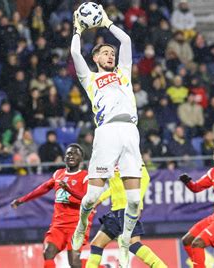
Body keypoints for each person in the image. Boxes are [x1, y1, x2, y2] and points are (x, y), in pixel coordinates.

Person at [70, 6, 142, 266]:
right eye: (105, 53)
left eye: (112, 53)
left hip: (130, 132)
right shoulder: (89, 79)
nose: (111, 55)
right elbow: (74, 52)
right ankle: (81, 227)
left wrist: (107, 22)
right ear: (96, 58)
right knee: (90, 198)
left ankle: (125, 240)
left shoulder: (124, 73)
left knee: (134, 200)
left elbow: (126, 40)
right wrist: (79, 29)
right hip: (107, 132)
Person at [11, 144, 91, 268]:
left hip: (76, 226)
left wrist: (69, 190)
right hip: (57, 225)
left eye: (75, 153)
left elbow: (87, 200)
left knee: (74, 263)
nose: (71, 155)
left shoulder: (85, 176)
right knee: (48, 253)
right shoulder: (58, 174)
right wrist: (22, 200)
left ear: (81, 158)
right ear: (64, 158)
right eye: (69, 153)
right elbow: (42, 188)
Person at [86, 165, 167, 268]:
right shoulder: (111, 157)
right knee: (96, 244)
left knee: (133, 244)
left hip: (128, 208)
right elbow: (114, 187)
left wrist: (137, 202)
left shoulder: (129, 153)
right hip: (115, 210)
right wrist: (98, 201)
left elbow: (145, 177)